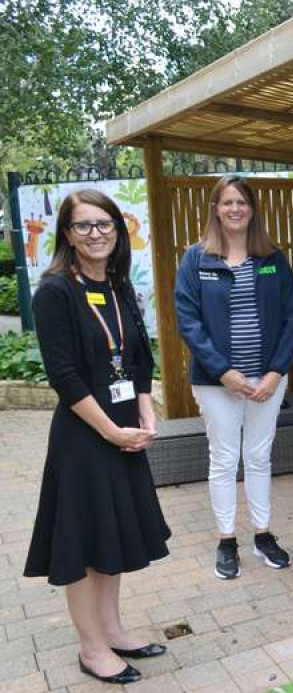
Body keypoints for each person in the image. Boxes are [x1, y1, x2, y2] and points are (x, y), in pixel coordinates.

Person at [23, 190, 171, 685]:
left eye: (104, 223)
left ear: (117, 229)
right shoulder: (55, 293)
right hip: (86, 437)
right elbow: (63, 376)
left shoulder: (119, 286)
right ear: (66, 234)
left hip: (127, 430)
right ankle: (91, 648)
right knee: (87, 546)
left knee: (114, 534)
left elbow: (140, 361)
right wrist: (112, 432)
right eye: (84, 226)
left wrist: (146, 418)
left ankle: (112, 629)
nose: (96, 233)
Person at [174, 175, 293, 580]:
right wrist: (224, 372)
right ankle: (226, 540)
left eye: (242, 202)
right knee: (225, 458)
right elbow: (189, 322)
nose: (235, 209)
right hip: (216, 383)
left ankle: (263, 535)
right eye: (227, 202)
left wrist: (275, 372)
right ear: (215, 208)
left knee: (260, 456)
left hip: (267, 381)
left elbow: (291, 317)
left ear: (252, 209)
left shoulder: (272, 258)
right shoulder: (196, 259)